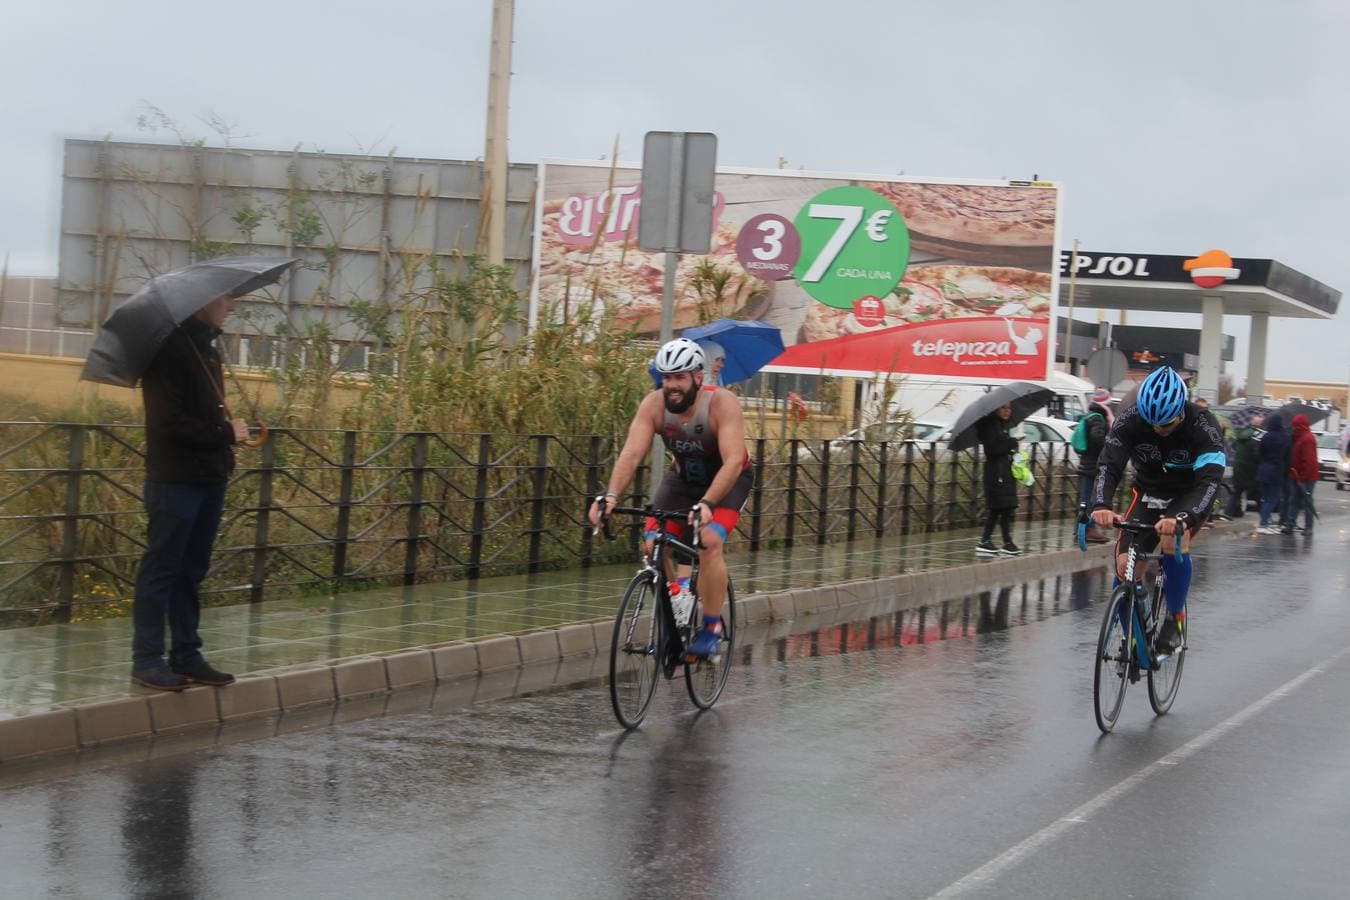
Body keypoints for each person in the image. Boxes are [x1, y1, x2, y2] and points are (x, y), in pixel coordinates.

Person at [589, 338, 752, 658]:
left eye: (679, 377)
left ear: (697, 377)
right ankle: (675, 606)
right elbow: (632, 453)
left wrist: (707, 503)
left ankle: (711, 628)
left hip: (727, 481)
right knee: (652, 544)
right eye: (666, 378)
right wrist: (610, 496)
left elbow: (733, 461)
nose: (672, 385)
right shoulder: (653, 405)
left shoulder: (722, 403)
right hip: (683, 480)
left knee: (708, 540)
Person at [131, 293, 249, 691]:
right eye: (228, 299)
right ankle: (147, 659)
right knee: (162, 569)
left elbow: (204, 415)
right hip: (174, 479)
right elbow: (168, 424)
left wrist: (228, 434)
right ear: (204, 300)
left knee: (191, 571)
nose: (232, 306)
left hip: (208, 478)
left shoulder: (207, 350)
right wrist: (224, 433)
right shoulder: (168, 351)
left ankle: (186, 654)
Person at [1090, 366, 1225, 656]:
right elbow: (1109, 464)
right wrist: (1100, 504)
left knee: (1172, 539)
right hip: (1149, 491)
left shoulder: (1204, 427)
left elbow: (1209, 482)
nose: (1158, 430)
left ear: (1181, 411)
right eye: (1152, 424)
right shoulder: (1132, 420)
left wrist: (1183, 518)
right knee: (1126, 565)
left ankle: (1174, 620)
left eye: (1166, 424)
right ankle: (1134, 639)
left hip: (1188, 494)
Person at [975, 403, 1020, 556]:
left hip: (1003, 470)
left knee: (1005, 508)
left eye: (1009, 408)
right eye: (1003, 408)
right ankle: (989, 541)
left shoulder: (1001, 426)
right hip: (996, 473)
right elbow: (992, 449)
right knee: (998, 507)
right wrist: (1011, 443)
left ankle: (1002, 542)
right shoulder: (989, 426)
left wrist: (1012, 446)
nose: (1007, 411)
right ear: (996, 409)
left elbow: (1002, 448)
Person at [1075, 390, 1113, 542]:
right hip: (1093, 464)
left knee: (1086, 497)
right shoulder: (1097, 418)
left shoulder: (1091, 415)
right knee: (1090, 498)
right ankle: (1087, 529)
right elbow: (1097, 438)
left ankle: (1080, 530)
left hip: (1088, 463)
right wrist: (1109, 442)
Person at [1280, 413, 1319, 534]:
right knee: (1294, 500)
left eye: (1295, 426)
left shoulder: (1307, 439)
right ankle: (1290, 524)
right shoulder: (1297, 438)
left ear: (1299, 426)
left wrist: (1303, 477)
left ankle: (1308, 527)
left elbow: (1309, 461)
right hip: (1296, 474)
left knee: (1306, 502)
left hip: (1306, 477)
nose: (1293, 428)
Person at [1222, 411, 1264, 519]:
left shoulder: (1242, 433)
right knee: (1257, 494)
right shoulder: (1256, 436)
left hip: (1238, 467)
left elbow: (1235, 447)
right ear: (1258, 424)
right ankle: (1265, 518)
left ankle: (1228, 513)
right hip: (1250, 469)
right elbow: (1256, 454)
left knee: (1237, 492)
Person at [1254, 413, 1290, 534]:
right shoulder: (1285, 437)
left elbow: (1260, 453)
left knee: (1265, 498)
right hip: (1277, 471)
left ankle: (1265, 521)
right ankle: (1263, 524)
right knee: (1273, 499)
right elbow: (1287, 456)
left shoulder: (1266, 436)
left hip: (1263, 470)